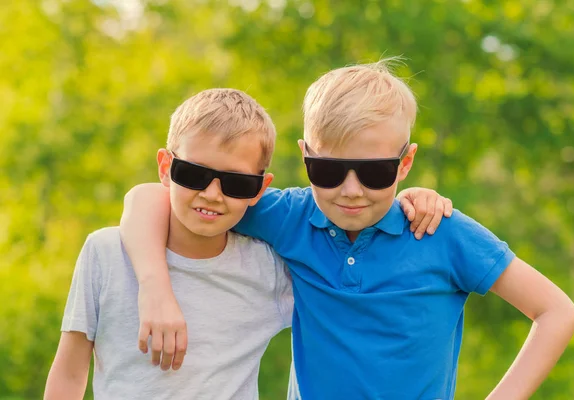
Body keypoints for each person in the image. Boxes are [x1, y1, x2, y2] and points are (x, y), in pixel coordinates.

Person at [121, 60, 574, 399]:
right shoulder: (290, 216)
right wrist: (154, 287)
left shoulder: (441, 232)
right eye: (328, 170)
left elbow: (556, 311)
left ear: (406, 162)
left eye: (376, 172)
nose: (351, 190)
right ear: (305, 156)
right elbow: (150, 196)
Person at [44, 88, 450, 400]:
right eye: (193, 173)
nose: (212, 194)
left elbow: (356, 292)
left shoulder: (270, 268)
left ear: (260, 190)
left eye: (237, 183)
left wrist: (407, 202)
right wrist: (154, 286)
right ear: (166, 167)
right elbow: (69, 373)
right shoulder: (106, 253)